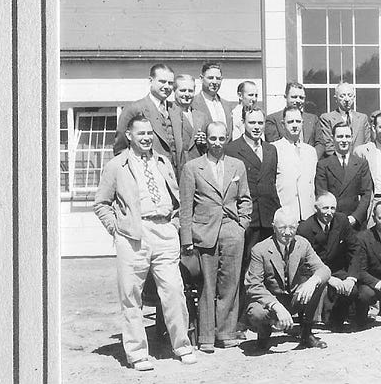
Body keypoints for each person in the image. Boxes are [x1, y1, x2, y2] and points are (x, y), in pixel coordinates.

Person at [93, 115, 195, 370]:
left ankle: (182, 346)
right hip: (133, 236)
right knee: (131, 296)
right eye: (141, 134)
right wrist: (116, 229)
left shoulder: (163, 162)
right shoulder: (117, 165)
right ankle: (137, 354)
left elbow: (175, 197)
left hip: (164, 231)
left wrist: (174, 223)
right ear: (129, 136)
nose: (147, 138)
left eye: (150, 133)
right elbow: (101, 203)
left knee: (173, 290)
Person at [177, 120, 251, 352]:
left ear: (226, 138)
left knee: (230, 284)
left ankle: (226, 333)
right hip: (204, 232)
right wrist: (187, 239)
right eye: (212, 139)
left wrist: (242, 226)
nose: (217, 143)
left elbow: (245, 199)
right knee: (207, 286)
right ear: (206, 140)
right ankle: (206, 337)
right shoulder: (192, 167)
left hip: (232, 231)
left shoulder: (237, 166)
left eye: (221, 138)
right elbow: (186, 207)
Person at [244, 207, 330, 351]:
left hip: (294, 298)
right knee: (256, 313)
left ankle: (306, 333)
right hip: (270, 301)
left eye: (292, 227)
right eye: (282, 227)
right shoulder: (260, 250)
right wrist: (276, 306)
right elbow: (253, 286)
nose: (288, 232)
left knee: (319, 282)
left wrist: (312, 281)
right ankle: (264, 333)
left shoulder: (303, 244)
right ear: (273, 227)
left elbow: (324, 269)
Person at [226, 107, 279, 311]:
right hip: (247, 218)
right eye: (252, 123)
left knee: (269, 267)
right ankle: (242, 314)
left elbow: (271, 182)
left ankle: (267, 311)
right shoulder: (232, 149)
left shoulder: (271, 149)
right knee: (245, 266)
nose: (256, 127)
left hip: (268, 215)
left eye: (260, 123)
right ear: (243, 124)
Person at [296, 191, 358, 329]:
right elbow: (305, 263)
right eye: (325, 208)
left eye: (332, 208)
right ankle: (306, 326)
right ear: (316, 208)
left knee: (351, 290)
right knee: (310, 288)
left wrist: (351, 278)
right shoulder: (305, 229)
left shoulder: (342, 221)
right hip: (313, 272)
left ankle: (335, 322)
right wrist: (328, 278)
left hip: (336, 269)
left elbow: (355, 250)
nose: (329, 212)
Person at [112, 62, 186, 164]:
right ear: (151, 81)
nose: (167, 86)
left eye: (170, 83)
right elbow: (120, 148)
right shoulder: (134, 109)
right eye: (162, 82)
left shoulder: (176, 110)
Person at [312, 119, 374, 227]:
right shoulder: (323, 164)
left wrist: (355, 217)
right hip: (332, 221)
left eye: (347, 136)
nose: (344, 140)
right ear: (333, 138)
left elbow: (366, 194)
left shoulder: (361, 163)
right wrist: (333, 217)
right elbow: (322, 194)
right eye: (340, 137)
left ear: (351, 138)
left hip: (355, 222)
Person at [272, 105, 320, 221]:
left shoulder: (311, 151)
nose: (294, 125)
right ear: (283, 125)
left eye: (298, 121)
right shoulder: (274, 149)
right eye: (290, 122)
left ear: (302, 123)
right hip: (285, 213)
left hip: (308, 214)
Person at [315, 80, 371, 156]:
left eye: (350, 95)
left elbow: (367, 144)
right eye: (342, 96)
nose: (347, 99)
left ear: (354, 97)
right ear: (336, 98)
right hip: (337, 163)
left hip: (359, 164)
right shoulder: (327, 118)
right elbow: (329, 147)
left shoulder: (362, 118)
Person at [190, 61, 232, 147]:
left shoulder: (227, 106)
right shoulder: (192, 104)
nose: (214, 82)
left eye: (218, 78)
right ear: (201, 78)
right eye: (210, 78)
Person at [170, 74, 204, 168]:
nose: (187, 94)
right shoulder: (168, 112)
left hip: (197, 166)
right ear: (174, 91)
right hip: (177, 167)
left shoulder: (200, 116)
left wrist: (204, 142)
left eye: (190, 91)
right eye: (182, 90)